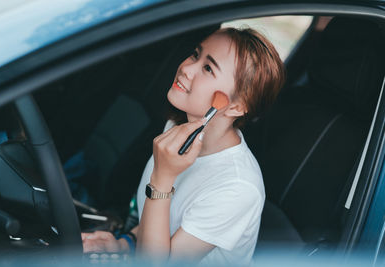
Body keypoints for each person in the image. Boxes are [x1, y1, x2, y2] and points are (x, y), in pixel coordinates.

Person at [81, 27, 285, 265]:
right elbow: (162, 224)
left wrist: (162, 177)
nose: (186, 68)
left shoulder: (238, 187)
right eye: (195, 55)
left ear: (236, 107)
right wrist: (123, 244)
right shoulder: (175, 127)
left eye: (208, 68)